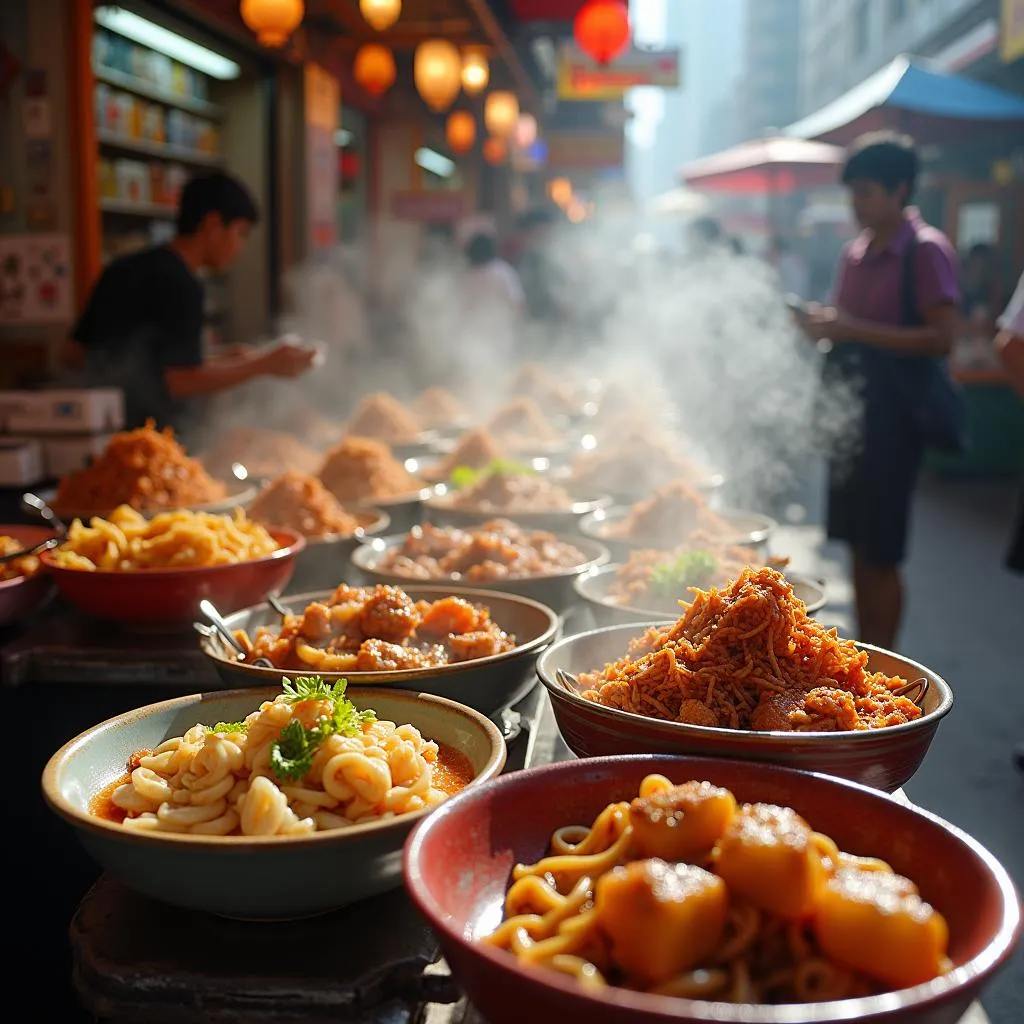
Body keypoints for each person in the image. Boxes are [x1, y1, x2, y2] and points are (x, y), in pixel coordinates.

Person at [798, 131, 960, 651]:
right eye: (853, 192)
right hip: (854, 416)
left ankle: (884, 663)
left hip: (895, 419)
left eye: (866, 192)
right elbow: (846, 324)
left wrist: (850, 329)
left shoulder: (927, 251)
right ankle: (867, 654)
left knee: (882, 552)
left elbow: (941, 338)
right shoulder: (856, 253)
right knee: (857, 548)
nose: (856, 203)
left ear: (900, 190)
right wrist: (823, 326)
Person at [61, 171, 317, 441]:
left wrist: (232, 359)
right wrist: (264, 365)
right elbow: (180, 380)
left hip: (95, 437)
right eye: (240, 234)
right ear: (213, 225)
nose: (240, 248)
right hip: (148, 440)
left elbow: (73, 353)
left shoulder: (121, 269)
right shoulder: (182, 282)